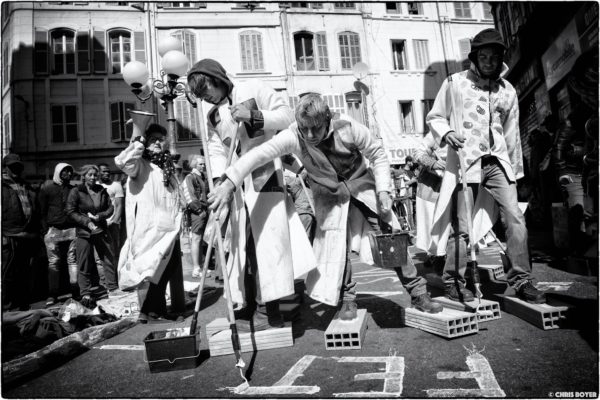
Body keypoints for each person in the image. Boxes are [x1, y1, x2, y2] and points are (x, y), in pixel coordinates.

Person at [208, 93, 443, 318]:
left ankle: (418, 293)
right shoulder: (292, 135)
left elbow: (378, 154)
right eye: (304, 128)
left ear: (327, 120)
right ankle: (347, 299)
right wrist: (229, 182)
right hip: (329, 198)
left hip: (363, 190)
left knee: (391, 239)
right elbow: (258, 155)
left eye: (316, 128)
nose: (309, 134)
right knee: (336, 249)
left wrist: (383, 190)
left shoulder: (348, 128)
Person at [187, 58, 314, 331]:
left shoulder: (254, 87)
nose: (206, 96)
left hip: (264, 175)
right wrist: (221, 176)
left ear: (217, 77)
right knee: (241, 246)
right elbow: (217, 148)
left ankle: (270, 311)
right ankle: (250, 305)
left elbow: (288, 116)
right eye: (201, 94)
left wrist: (254, 117)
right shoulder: (213, 115)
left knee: (267, 246)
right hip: (234, 184)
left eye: (207, 88)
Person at [426, 28, 546, 304]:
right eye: (484, 56)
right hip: (467, 162)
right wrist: (446, 133)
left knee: (516, 219)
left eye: (494, 57)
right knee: (463, 226)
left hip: (498, 162)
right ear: (475, 57)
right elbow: (435, 116)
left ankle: (522, 280)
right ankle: (453, 281)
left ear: (500, 58)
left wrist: (516, 172)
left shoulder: (508, 91)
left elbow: (511, 132)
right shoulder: (455, 83)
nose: (489, 62)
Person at [115, 123, 185, 323]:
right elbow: (122, 161)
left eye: (160, 140)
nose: (157, 143)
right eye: (153, 139)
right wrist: (138, 144)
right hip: (148, 230)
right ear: (146, 142)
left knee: (165, 270)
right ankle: (151, 312)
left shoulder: (166, 167)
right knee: (149, 270)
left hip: (168, 229)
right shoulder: (139, 164)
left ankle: (156, 311)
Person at [66, 165, 117, 308]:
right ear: (84, 176)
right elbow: (70, 211)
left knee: (108, 259)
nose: (93, 177)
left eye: (95, 175)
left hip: (101, 229)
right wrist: (86, 222)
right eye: (90, 175)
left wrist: (100, 216)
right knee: (84, 262)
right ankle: (86, 293)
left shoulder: (101, 190)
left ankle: (112, 288)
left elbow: (110, 207)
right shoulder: (76, 191)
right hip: (84, 232)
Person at [2, 154, 39, 311]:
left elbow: (34, 209)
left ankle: (22, 307)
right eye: (12, 167)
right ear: (5, 168)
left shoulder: (25, 185)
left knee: (23, 273)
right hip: (8, 236)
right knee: (7, 274)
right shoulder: (2, 185)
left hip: (26, 235)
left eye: (18, 167)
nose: (16, 170)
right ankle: (6, 309)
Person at [39, 162, 79, 306]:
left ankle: (75, 291)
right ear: (58, 172)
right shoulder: (47, 188)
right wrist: (45, 230)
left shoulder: (74, 189)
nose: (69, 174)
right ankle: (53, 294)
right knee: (54, 263)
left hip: (71, 229)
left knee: (72, 260)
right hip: (53, 230)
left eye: (70, 171)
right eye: (65, 171)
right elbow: (41, 210)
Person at [413, 133, 447, 271]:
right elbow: (418, 153)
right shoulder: (436, 133)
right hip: (431, 187)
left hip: (455, 184)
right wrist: (433, 163)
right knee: (432, 223)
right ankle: (435, 255)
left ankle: (448, 255)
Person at [181, 155, 209, 279]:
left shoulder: (202, 177)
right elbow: (189, 195)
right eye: (200, 164)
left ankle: (201, 266)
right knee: (196, 239)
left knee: (201, 239)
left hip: (204, 210)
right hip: (197, 211)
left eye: (203, 164)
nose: (203, 166)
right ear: (194, 165)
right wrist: (198, 210)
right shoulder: (190, 177)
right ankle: (196, 268)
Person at [98, 163, 124, 267]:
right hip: (98, 223)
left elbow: (119, 205)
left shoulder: (116, 185)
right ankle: (103, 281)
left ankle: (116, 278)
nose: (107, 173)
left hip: (112, 224)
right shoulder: (95, 185)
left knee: (114, 252)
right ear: (98, 173)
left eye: (108, 171)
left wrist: (115, 222)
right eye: (103, 171)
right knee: (99, 254)